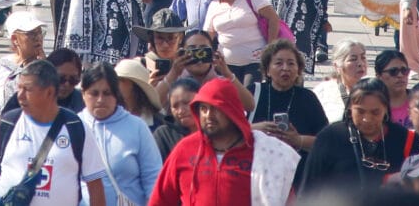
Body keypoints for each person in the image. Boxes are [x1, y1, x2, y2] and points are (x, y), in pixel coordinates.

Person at [149, 77, 300, 206]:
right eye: (203, 109)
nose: (208, 115)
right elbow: (160, 200)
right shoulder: (185, 149)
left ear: (231, 111)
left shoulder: (266, 152)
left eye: (215, 108)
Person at [0, 60, 108, 206]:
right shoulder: (7, 123)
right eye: (19, 88)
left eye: (28, 89)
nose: (20, 95)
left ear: (49, 92)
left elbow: (95, 186)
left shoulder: (76, 127)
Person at [301, 78, 419, 194]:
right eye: (360, 111)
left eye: (375, 112)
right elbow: (309, 189)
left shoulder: (407, 139)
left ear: (386, 109)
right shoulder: (330, 137)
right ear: (350, 108)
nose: (367, 119)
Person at [78, 62, 162, 205]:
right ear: (83, 94)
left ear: (117, 95)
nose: (100, 99)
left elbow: (153, 178)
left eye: (107, 93)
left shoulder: (137, 127)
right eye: (94, 93)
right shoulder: (73, 127)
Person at [247, 38, 329, 182]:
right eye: (278, 63)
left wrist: (298, 140)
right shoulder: (254, 92)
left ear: (298, 70)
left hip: (296, 178)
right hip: (255, 175)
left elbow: (325, 143)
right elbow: (231, 132)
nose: (285, 68)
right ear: (267, 69)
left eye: (291, 63)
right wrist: (255, 129)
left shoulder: (307, 98)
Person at [203, 0, 281, 84]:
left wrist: (270, 50)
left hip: (254, 63)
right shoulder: (213, 4)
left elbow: (273, 18)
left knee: (250, 98)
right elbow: (207, 36)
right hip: (225, 66)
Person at [0, 11, 46, 111]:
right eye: (31, 34)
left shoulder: (50, 67)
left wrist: (44, 68)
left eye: (40, 32)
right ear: (15, 39)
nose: (38, 38)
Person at [1, 47, 85, 114]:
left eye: (73, 80)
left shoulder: (83, 102)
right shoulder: (24, 97)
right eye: (61, 79)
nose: (67, 84)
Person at [313, 39, 368, 123]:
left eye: (363, 57)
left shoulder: (376, 88)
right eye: (353, 59)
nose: (360, 63)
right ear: (337, 66)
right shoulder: (323, 91)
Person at [152, 78, 199, 160]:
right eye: (175, 106)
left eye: (186, 103)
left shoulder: (213, 132)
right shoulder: (164, 135)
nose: (181, 111)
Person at [115, 59, 164, 131]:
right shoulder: (107, 117)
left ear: (134, 86)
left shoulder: (158, 124)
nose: (115, 84)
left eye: (121, 80)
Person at [375, 50, 413, 127]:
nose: (400, 75)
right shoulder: (373, 106)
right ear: (379, 76)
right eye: (393, 71)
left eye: (404, 71)